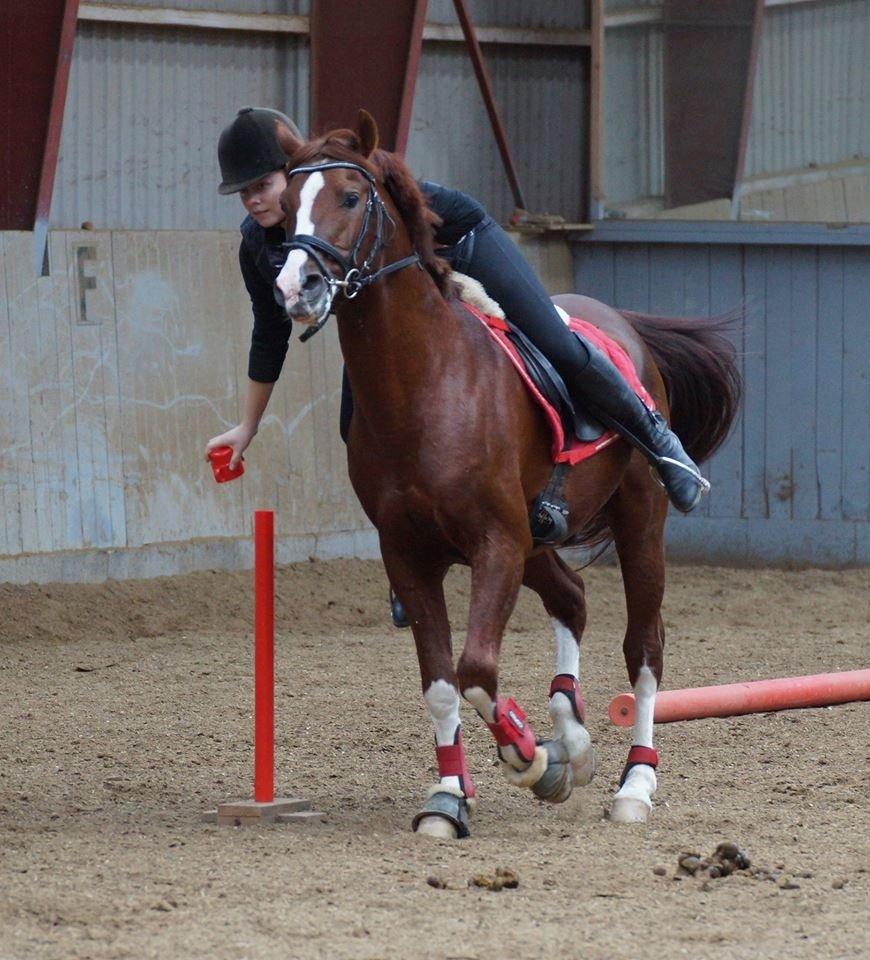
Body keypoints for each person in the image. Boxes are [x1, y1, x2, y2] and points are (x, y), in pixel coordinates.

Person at [206, 108, 709, 618]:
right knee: (353, 424)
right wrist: (247, 427)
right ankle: (409, 560)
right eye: (242, 192)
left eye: (261, 184)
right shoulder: (260, 243)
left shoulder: (355, 194)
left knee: (557, 343)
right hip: (400, 312)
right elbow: (269, 335)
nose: (252, 199)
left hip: (463, 242)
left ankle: (660, 444)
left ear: (293, 173)